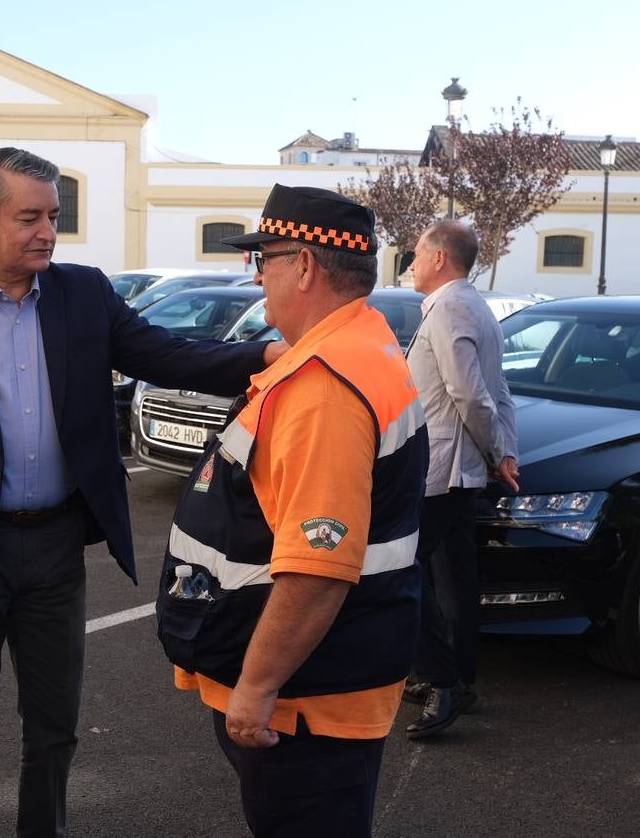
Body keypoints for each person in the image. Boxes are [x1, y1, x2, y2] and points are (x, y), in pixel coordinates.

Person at [0, 147, 283, 838]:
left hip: (56, 545)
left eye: (53, 216)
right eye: (27, 217)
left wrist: (264, 355)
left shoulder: (83, 293)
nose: (45, 232)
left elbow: (167, 353)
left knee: (56, 724)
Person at [157, 185, 427, 837]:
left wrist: (256, 685)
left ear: (304, 266)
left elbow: (317, 567)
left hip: (305, 705)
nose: (258, 277)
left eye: (265, 259)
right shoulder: (357, 349)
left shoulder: (326, 389)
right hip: (325, 684)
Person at [402, 219, 518, 738]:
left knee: (400, 572)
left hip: (439, 471)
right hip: (459, 470)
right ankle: (459, 680)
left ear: (440, 260)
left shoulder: (449, 307)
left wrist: (497, 452)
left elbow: (472, 395)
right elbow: (500, 390)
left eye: (417, 254)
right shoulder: (476, 306)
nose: (410, 262)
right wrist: (503, 451)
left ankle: (442, 681)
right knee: (453, 582)